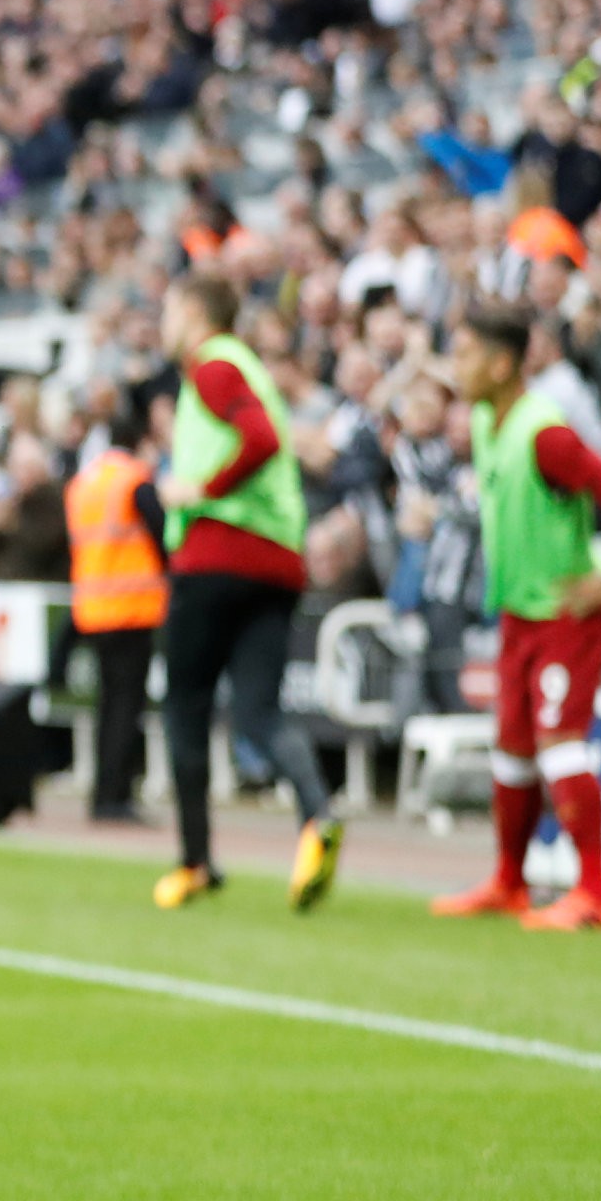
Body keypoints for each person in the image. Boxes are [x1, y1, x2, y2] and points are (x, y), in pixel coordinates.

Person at [433, 307, 601, 930]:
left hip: (564, 615)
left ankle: (594, 894)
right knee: (513, 750)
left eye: (465, 354)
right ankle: (508, 882)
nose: (455, 366)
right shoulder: (485, 420)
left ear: (501, 364)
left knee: (560, 745)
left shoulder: (545, 433)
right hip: (519, 613)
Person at [152, 274, 341, 911]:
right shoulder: (249, 368)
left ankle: (195, 862)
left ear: (192, 310)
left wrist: (199, 488)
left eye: (169, 310)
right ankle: (317, 816)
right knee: (260, 714)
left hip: (216, 556)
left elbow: (258, 439)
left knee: (185, 707)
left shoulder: (213, 366)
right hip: (276, 561)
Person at [65, 396, 170, 823]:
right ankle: (115, 797)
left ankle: (103, 792)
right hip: (131, 608)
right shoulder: (134, 480)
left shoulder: (84, 482)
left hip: (92, 607)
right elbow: (164, 535)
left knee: (107, 706)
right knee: (126, 708)